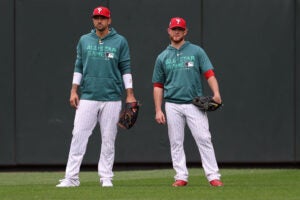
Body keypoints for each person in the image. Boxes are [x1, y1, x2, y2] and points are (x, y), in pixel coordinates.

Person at [56, 6, 137, 187]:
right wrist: (73, 90)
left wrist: (130, 94)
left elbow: (126, 68)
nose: (99, 20)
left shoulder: (120, 41)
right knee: (78, 135)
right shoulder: (84, 40)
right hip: (88, 96)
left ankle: (106, 177)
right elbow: (79, 66)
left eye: (103, 17)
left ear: (109, 20)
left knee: (108, 139)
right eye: (96, 17)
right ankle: (71, 178)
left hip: (112, 97)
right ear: (93, 20)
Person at [152, 17, 223, 187]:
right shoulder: (162, 57)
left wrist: (216, 93)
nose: (177, 32)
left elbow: (209, 73)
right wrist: (158, 109)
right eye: (174, 29)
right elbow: (157, 85)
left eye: (180, 29)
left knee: (204, 138)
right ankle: (181, 176)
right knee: (176, 141)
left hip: (194, 103)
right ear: (168, 31)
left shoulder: (196, 51)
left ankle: (213, 176)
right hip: (172, 104)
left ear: (185, 31)